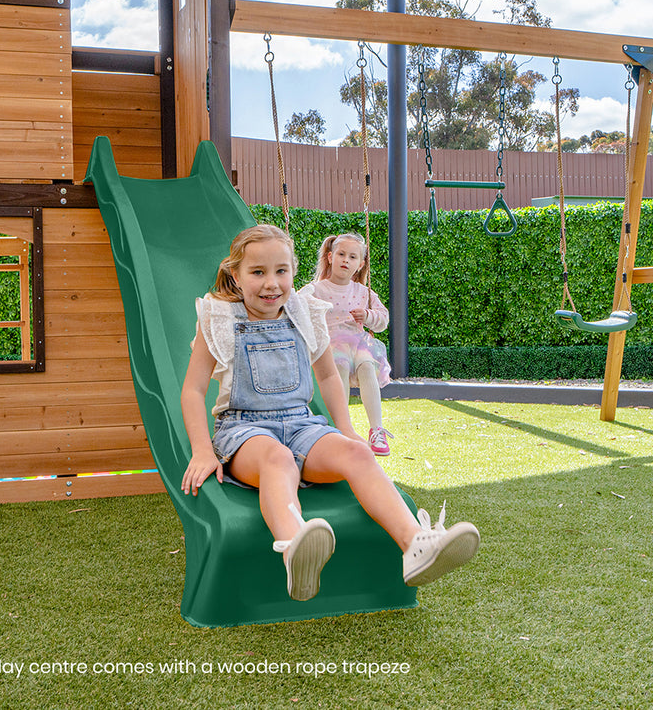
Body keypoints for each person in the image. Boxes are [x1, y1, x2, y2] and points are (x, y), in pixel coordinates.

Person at [180, 224, 479, 602]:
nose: (271, 283)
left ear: (293, 271)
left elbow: (326, 374)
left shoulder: (305, 313)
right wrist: (203, 450)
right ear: (235, 276)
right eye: (258, 273)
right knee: (279, 458)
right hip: (244, 431)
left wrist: (346, 429)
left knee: (356, 452)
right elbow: (192, 390)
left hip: (302, 424)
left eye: (281, 271)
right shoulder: (219, 318)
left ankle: (416, 545)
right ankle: (294, 546)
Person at [300, 232, 393, 456]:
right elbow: (297, 302)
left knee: (367, 367)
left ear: (360, 265)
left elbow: (383, 319)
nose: (345, 260)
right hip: (331, 342)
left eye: (352, 257)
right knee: (338, 365)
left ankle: (376, 429)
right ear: (330, 257)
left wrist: (368, 316)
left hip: (358, 343)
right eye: (341, 254)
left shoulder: (364, 292)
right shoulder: (317, 288)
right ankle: (340, 425)